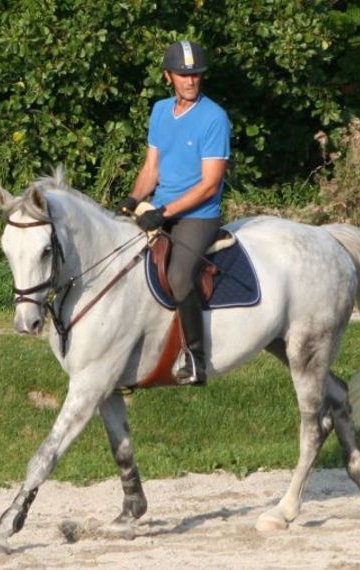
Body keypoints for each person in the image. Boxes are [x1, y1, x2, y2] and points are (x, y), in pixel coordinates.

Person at [118, 40, 231, 385]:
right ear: (168, 76)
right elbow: (151, 169)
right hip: (160, 208)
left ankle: (196, 359)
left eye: (196, 74)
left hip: (198, 215)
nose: (191, 81)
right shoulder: (159, 111)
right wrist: (132, 199)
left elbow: (210, 185)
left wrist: (163, 212)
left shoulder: (214, 118)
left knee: (180, 275)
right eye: (183, 75)